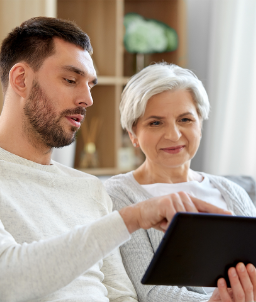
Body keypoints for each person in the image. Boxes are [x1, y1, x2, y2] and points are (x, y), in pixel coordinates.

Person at [0, 17, 230, 302]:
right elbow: (4, 280)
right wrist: (132, 218)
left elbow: (122, 297)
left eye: (90, 85)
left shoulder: (89, 188)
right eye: (71, 80)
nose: (87, 99)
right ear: (21, 80)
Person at [104, 62, 256, 302]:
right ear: (133, 134)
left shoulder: (231, 192)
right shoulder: (118, 196)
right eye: (155, 122)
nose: (174, 135)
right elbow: (150, 292)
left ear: (200, 124)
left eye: (185, 119)